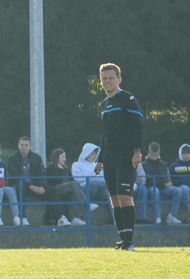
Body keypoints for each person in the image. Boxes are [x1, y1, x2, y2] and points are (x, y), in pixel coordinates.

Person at [95, 63, 145, 250]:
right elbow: (105, 134)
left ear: (119, 80)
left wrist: (137, 150)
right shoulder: (104, 104)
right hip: (109, 157)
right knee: (114, 199)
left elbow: (138, 126)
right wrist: (101, 158)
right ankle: (123, 239)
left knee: (125, 197)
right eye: (104, 78)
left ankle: (129, 242)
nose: (107, 81)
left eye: (111, 78)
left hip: (125, 156)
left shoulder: (128, 99)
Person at [8, 136, 47, 227]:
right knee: (20, 188)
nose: (24, 147)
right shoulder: (12, 158)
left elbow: (42, 173)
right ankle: (22, 217)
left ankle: (60, 218)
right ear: (18, 146)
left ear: (30, 146)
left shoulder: (37, 158)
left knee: (52, 191)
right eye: (22, 145)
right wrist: (30, 185)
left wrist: (42, 186)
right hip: (21, 185)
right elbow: (14, 176)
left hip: (36, 186)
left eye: (26, 145)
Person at [44, 148, 88, 225]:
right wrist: (60, 171)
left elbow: (71, 180)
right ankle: (86, 203)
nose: (65, 159)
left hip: (66, 189)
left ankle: (76, 218)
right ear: (57, 157)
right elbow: (51, 182)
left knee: (73, 194)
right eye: (63, 157)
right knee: (73, 184)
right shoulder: (50, 169)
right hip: (55, 189)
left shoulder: (66, 169)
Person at [138, 142, 179, 224]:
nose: (154, 157)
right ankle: (157, 217)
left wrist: (169, 182)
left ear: (159, 153)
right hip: (151, 187)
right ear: (148, 153)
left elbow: (168, 177)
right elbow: (141, 179)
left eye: (156, 155)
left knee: (178, 191)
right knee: (155, 191)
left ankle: (172, 216)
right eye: (152, 155)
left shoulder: (164, 164)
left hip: (163, 187)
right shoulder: (143, 165)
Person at [72, 144, 109, 212]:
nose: (94, 156)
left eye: (95, 154)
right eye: (92, 154)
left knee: (111, 192)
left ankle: (117, 216)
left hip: (100, 189)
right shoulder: (76, 165)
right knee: (92, 181)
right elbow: (77, 178)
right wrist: (92, 176)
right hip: (86, 188)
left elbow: (103, 177)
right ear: (87, 153)